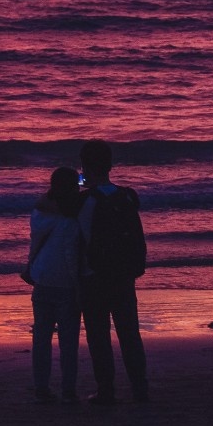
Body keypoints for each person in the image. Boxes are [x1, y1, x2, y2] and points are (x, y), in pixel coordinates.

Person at [77, 140, 149, 405]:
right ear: (110, 165)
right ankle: (140, 387)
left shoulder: (83, 201)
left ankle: (106, 389)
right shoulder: (128, 196)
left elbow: (76, 232)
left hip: (93, 275)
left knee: (98, 335)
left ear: (85, 166)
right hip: (123, 273)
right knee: (129, 332)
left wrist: (79, 183)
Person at [25, 166, 82, 404]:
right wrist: (78, 281)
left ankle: (41, 386)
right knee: (68, 340)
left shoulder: (40, 212)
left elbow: (35, 242)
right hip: (65, 283)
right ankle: (68, 389)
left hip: (41, 278)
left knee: (41, 337)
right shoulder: (70, 219)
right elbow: (70, 253)